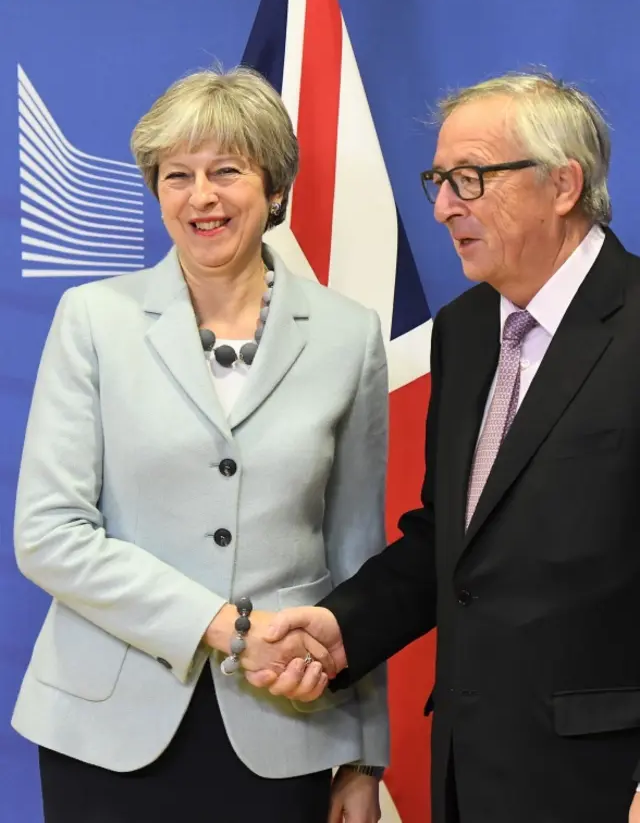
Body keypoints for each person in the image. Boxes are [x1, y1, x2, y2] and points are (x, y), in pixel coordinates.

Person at [250, 71, 640, 823]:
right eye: (438, 180)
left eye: (470, 179)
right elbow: (455, 542)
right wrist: (343, 627)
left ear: (564, 184)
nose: (440, 207)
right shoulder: (464, 331)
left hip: (606, 781)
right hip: (472, 771)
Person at [11, 66, 389, 823]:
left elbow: (357, 562)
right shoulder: (92, 319)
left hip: (287, 727)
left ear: (274, 187)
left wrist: (363, 752)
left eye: (226, 171)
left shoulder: (349, 336)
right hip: (105, 727)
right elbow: (48, 534)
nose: (200, 197)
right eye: (176, 175)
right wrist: (226, 627)